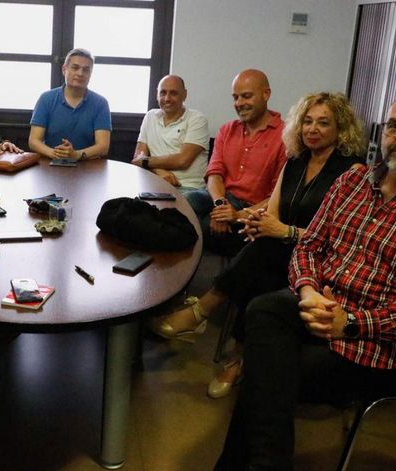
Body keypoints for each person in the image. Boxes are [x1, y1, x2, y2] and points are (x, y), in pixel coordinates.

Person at [205, 93, 396, 471]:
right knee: (265, 309)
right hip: (317, 307)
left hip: (375, 344)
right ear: (381, 133)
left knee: (266, 375)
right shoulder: (352, 181)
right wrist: (308, 291)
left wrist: (351, 323)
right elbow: (309, 247)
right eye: (395, 126)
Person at [151, 92, 367, 399]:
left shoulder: (353, 171)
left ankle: (203, 312)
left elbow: (343, 240)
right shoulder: (296, 161)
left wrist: (283, 231)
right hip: (284, 251)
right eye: (307, 121)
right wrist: (255, 222)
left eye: (323, 123)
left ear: (340, 128)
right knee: (260, 259)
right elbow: (273, 210)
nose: (313, 129)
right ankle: (238, 359)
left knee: (263, 254)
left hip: (324, 260)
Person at [185, 69, 287, 255]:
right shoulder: (227, 130)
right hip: (223, 198)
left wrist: (237, 216)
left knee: (195, 227)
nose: (239, 103)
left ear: (266, 94)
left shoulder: (286, 137)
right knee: (187, 202)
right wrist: (220, 206)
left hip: (255, 209)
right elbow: (214, 174)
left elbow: (277, 199)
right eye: (235, 97)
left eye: (246, 96)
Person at [132, 74, 210, 213]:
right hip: (156, 185)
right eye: (163, 93)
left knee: (168, 211)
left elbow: (183, 160)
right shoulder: (150, 117)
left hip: (190, 189)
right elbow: (137, 158)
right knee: (125, 206)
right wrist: (158, 171)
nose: (167, 98)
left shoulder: (197, 119)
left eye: (173, 93)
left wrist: (145, 161)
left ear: (184, 95)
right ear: (157, 94)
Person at [29, 48, 111, 161]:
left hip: (87, 165)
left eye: (86, 70)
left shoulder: (100, 103)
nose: (80, 73)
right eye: (75, 68)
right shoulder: (46, 99)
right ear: (64, 69)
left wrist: (77, 154)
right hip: (50, 163)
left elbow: (103, 147)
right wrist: (55, 154)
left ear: (90, 74)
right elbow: (33, 141)